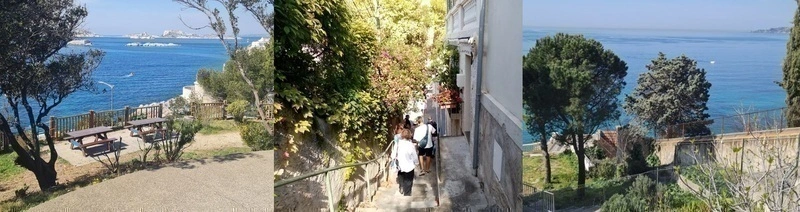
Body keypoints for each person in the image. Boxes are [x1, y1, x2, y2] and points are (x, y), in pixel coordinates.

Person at [391, 128, 419, 196]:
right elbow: (414, 156)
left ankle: (401, 187)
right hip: (409, 165)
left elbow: (393, 154)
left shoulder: (397, 144)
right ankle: (407, 194)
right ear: (409, 135)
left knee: (401, 176)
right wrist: (416, 163)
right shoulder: (410, 145)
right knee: (408, 180)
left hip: (400, 165)